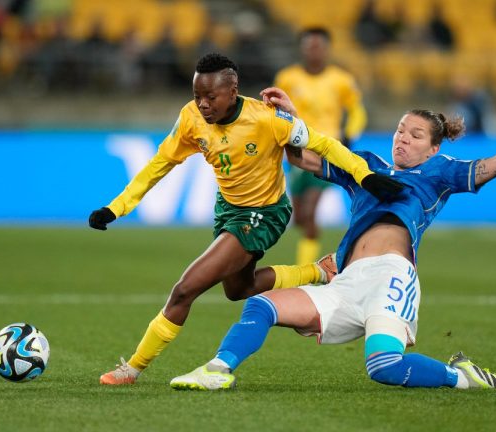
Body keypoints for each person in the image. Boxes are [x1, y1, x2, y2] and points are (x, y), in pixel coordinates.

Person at [169, 88, 496, 390]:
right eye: (401, 130)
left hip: (392, 277)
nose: (403, 138)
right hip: (346, 282)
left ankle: (462, 378)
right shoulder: (366, 166)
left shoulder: (439, 174)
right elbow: (301, 156)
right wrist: (290, 118)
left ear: (433, 148)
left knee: (384, 367)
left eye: (416, 136)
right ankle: (217, 371)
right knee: (260, 306)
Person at [89, 53, 403, 385]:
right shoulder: (191, 118)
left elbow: (323, 144)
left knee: (185, 289)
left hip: (264, 213)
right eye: (197, 96)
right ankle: (318, 270)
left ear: (233, 89)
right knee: (239, 289)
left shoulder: (268, 119)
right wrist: (117, 207)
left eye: (210, 97)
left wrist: (364, 175)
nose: (203, 104)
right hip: (229, 210)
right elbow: (158, 165)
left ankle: (133, 368)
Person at [273, 27, 368, 266]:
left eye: (318, 47)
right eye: (309, 47)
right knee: (299, 217)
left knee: (310, 211)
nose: (314, 51)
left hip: (325, 151)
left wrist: (349, 134)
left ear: (326, 50)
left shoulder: (341, 80)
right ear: (302, 49)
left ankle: (306, 271)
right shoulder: (287, 77)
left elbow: (357, 111)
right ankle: (315, 264)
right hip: (295, 152)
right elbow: (274, 111)